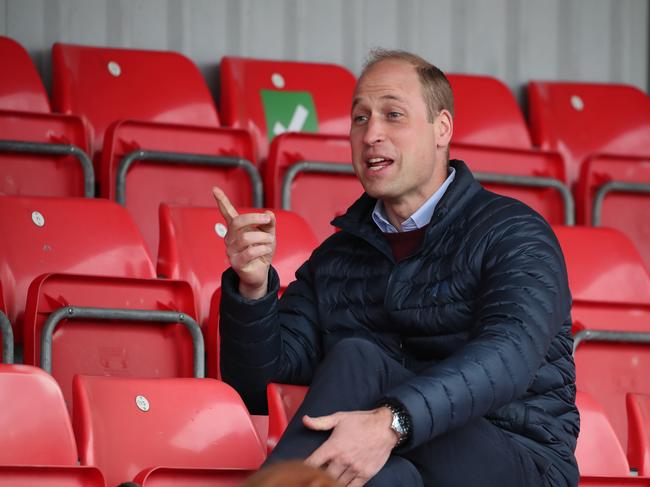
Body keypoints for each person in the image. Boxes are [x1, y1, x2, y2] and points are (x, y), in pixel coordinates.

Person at [213, 49, 579, 486]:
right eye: (360, 118)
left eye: (393, 115)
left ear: (442, 128)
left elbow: (507, 359)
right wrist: (253, 292)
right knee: (386, 479)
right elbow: (258, 386)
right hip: (402, 458)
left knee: (360, 358)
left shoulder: (513, 232)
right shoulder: (337, 258)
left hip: (520, 460)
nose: (372, 134)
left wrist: (392, 422)